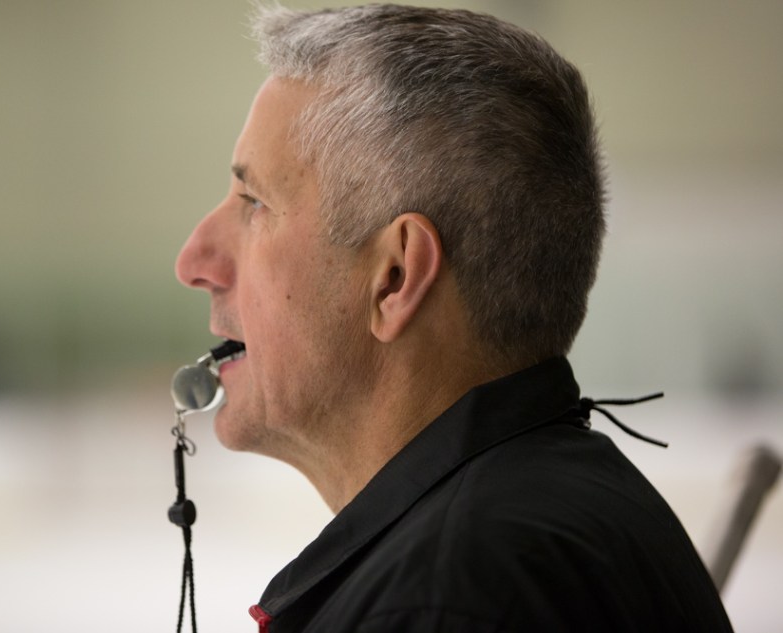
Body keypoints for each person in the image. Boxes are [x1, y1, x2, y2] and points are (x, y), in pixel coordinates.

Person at [175, 4, 733, 632]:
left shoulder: (443, 600)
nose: (194, 261)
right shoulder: (557, 519)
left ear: (395, 278)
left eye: (254, 203)